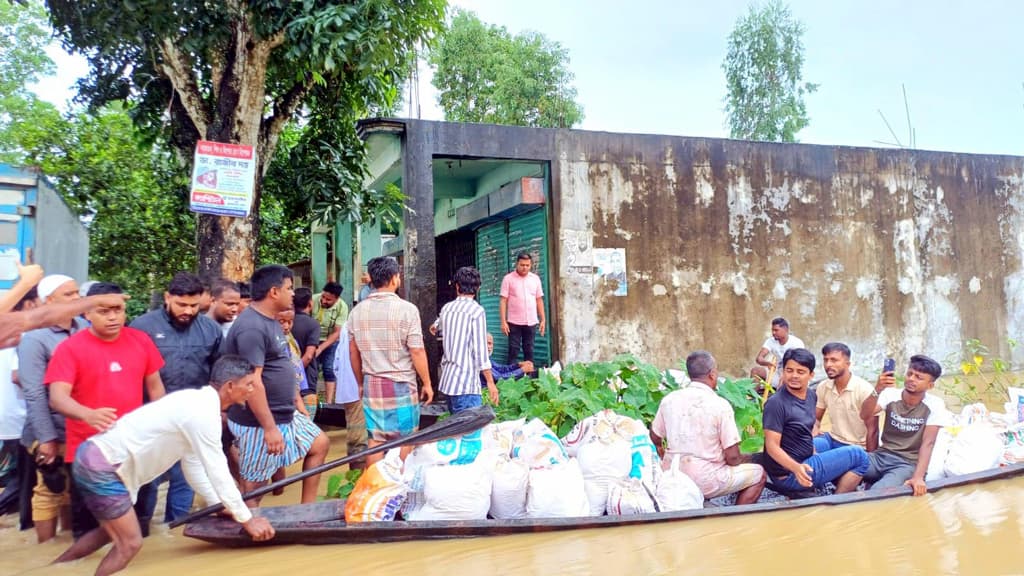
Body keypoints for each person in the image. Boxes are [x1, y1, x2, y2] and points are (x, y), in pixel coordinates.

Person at [52, 355, 275, 576]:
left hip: (95, 456)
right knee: (130, 543)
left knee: (109, 533)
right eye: (249, 384)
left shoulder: (196, 402)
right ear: (229, 386)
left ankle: (54, 568)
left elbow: (194, 467)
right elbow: (218, 470)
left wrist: (221, 505)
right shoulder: (203, 413)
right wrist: (247, 519)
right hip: (104, 465)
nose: (252, 390)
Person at [46, 282, 166, 546]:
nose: (113, 317)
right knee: (89, 531)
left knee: (140, 528)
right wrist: (87, 414)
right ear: (86, 312)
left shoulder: (140, 340)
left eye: (118, 310)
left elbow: (156, 389)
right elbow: (57, 397)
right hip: (89, 452)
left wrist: (164, 430)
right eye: (104, 311)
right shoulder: (70, 348)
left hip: (136, 448)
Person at [222, 265, 328, 505]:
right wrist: (269, 428)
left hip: (284, 412)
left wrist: (295, 400)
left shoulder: (270, 321)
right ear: (273, 292)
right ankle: (252, 525)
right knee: (255, 485)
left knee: (319, 443)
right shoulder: (252, 328)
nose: (293, 294)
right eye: (289, 288)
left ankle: (307, 510)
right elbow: (252, 381)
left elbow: (281, 364)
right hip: (259, 421)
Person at [130, 272, 222, 531]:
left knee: (186, 479)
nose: (188, 311)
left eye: (194, 305)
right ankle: (142, 531)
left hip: (192, 419)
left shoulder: (211, 330)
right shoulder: (142, 327)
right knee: (147, 479)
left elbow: (218, 372)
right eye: (182, 304)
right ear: (168, 297)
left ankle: (176, 532)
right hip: (150, 418)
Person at [17, 274, 88, 541]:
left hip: (80, 426)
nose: (76, 299)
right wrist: (46, 438)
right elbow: (33, 391)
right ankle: (44, 550)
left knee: (73, 488)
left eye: (76, 293)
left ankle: (69, 543)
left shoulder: (85, 327)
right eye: (68, 295)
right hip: (48, 427)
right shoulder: (35, 338)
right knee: (49, 487)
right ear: (49, 301)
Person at [348, 256, 433, 466]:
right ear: (395, 278)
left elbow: (353, 353)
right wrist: (428, 383)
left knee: (375, 440)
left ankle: (374, 488)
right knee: (407, 437)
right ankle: (400, 486)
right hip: (401, 383)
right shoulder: (407, 309)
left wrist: (360, 382)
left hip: (372, 384)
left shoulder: (357, 312)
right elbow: (417, 351)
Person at [650, 351, 766, 505]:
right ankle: (737, 520)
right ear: (712, 374)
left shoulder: (669, 400)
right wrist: (746, 458)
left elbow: (655, 436)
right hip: (705, 479)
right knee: (759, 474)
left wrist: (662, 450)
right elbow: (732, 458)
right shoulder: (719, 405)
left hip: (672, 473)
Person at [762, 348, 868, 495]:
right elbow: (772, 446)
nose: (794, 376)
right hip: (790, 473)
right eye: (789, 370)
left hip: (802, 456)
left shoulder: (811, 395)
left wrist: (812, 450)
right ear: (783, 372)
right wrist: (796, 468)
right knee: (860, 456)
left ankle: (832, 477)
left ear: (811, 375)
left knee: (825, 441)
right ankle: (836, 502)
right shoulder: (776, 403)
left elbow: (805, 428)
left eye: (800, 372)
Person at [859, 355, 950, 496]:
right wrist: (878, 389)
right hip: (881, 456)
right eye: (909, 374)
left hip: (907, 464)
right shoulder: (890, 395)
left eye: (919, 377)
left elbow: (928, 443)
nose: (911, 379)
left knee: (876, 493)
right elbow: (865, 415)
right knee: (849, 459)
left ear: (930, 386)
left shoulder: (935, 405)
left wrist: (918, 477)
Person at [431, 266, 498, 414]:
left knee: (456, 432)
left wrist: (436, 326)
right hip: (466, 386)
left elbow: (435, 327)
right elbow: (481, 351)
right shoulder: (477, 311)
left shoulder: (447, 308)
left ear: (457, 286)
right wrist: (490, 382)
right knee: (469, 434)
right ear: (478, 288)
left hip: (448, 383)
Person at [813, 342, 875, 451]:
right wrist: (815, 427)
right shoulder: (823, 386)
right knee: (799, 447)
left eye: (834, 360)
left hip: (856, 447)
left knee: (818, 463)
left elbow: (873, 429)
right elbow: (816, 418)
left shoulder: (864, 389)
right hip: (832, 439)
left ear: (848, 363)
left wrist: (870, 459)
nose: (828, 365)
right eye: (825, 360)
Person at [331, 319, 367, 469]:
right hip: (364, 386)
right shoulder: (361, 323)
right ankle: (359, 479)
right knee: (363, 438)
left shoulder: (348, 324)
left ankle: (356, 480)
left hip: (350, 387)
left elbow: (337, 361)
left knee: (356, 435)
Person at [499, 252, 546, 366]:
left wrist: (543, 319)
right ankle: (510, 378)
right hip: (514, 322)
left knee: (529, 350)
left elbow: (539, 300)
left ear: (531, 265)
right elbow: (503, 300)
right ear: (517, 264)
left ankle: (528, 379)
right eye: (522, 265)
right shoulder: (508, 279)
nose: (525, 268)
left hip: (531, 322)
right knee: (513, 350)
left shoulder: (535, 279)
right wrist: (503, 322)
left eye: (527, 265)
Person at [313, 281, 348, 403]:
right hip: (313, 339)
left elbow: (337, 332)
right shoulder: (313, 300)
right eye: (323, 297)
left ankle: (328, 402)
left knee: (329, 369)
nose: (323, 301)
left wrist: (321, 348)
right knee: (313, 369)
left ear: (336, 299)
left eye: (328, 300)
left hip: (331, 340)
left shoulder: (342, 307)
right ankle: (311, 400)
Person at [291, 288, 322, 416]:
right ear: (310, 304)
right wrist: (296, 374)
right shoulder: (312, 324)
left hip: (286, 383)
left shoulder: (284, 321)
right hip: (307, 382)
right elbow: (309, 356)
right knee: (307, 424)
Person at [751, 317, 805, 388]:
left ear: (785, 330)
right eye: (772, 330)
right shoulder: (770, 341)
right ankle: (754, 397)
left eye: (776, 330)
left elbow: (801, 364)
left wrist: (786, 373)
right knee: (755, 371)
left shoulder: (797, 343)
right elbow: (759, 359)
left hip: (791, 374)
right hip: (776, 373)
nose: (773, 333)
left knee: (783, 380)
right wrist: (768, 363)